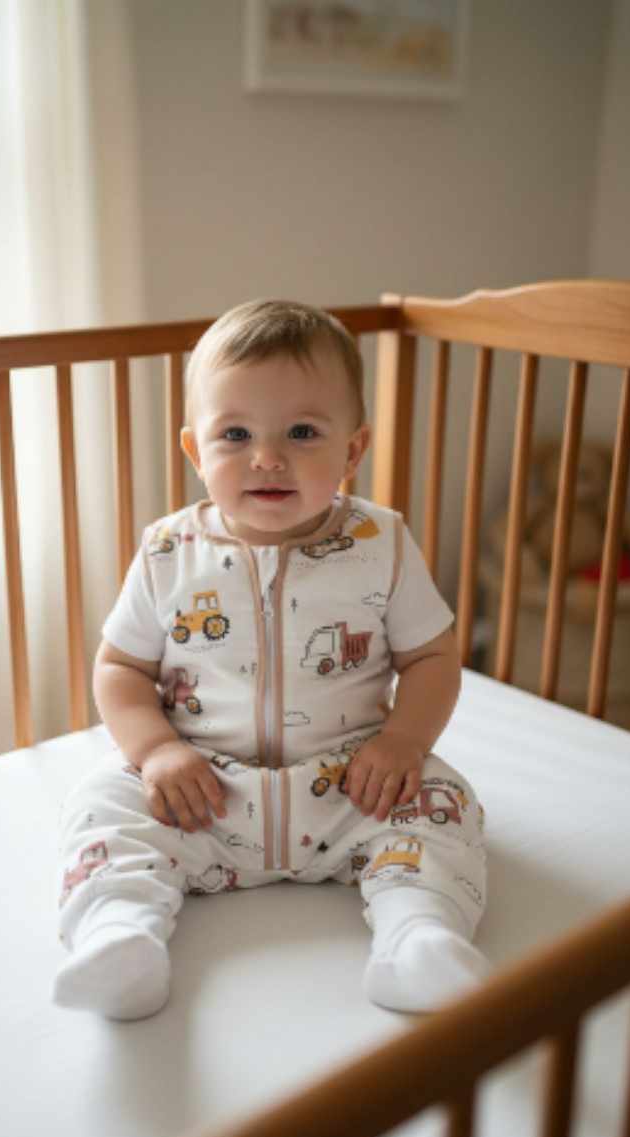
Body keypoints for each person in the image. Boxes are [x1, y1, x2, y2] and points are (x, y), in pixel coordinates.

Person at [53, 299, 489, 1021]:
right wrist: (157, 751)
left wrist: (404, 742)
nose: (267, 457)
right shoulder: (168, 551)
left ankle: (416, 937)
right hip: (201, 792)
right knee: (102, 802)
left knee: (444, 804)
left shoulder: (381, 543)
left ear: (353, 450)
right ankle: (120, 938)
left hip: (351, 784)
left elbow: (433, 657)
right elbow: (120, 668)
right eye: (236, 434)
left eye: (302, 432)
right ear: (196, 451)